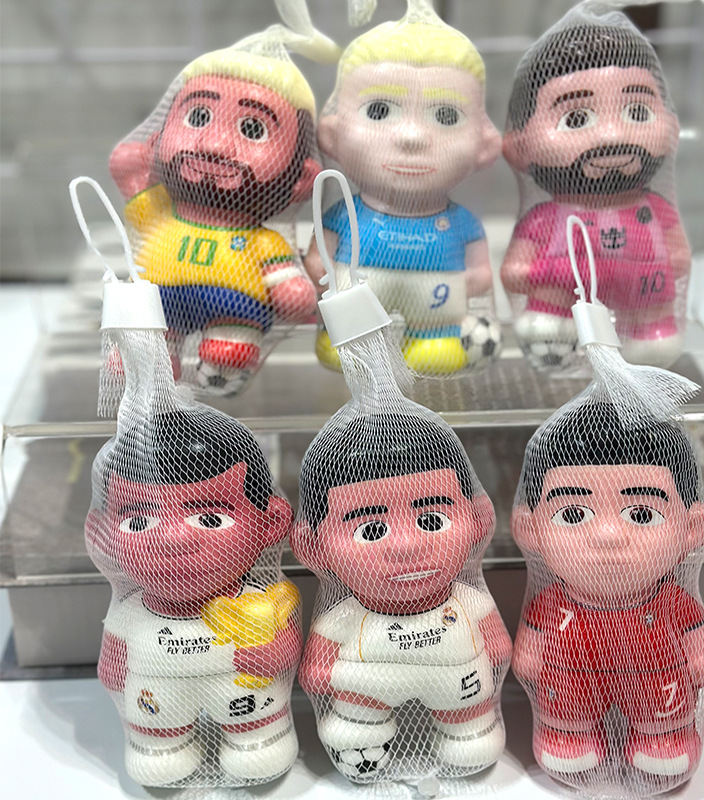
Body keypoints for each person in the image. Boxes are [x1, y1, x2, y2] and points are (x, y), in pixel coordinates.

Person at [86, 408, 301, 785]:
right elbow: (114, 663)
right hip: (156, 697)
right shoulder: (132, 612)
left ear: (270, 524)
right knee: (159, 755)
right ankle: (161, 747)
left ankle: (258, 739)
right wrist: (114, 672)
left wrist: (271, 653)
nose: (174, 540)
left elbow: (283, 648)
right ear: (101, 534)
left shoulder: (257, 602)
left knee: (259, 747)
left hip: (244, 697)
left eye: (210, 519)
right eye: (140, 521)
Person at [292, 413, 511, 780]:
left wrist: (497, 649)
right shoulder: (347, 614)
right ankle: (361, 744)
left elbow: (498, 646)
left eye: (432, 520)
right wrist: (320, 670)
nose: (406, 547)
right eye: (370, 530)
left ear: (479, 521)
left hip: (459, 683)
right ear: (312, 545)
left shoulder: (465, 600)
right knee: (356, 721)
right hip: (364, 687)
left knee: (469, 727)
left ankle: (468, 734)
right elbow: (318, 668)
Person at [512, 402, 704, 779]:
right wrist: (529, 655)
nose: (608, 536)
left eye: (642, 514)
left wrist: (700, 657)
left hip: (657, 677)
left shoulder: (671, 601)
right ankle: (567, 734)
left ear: (692, 529)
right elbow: (532, 645)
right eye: (573, 514)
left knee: (662, 708)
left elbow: (695, 637)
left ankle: (663, 737)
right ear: (530, 530)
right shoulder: (553, 601)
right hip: (570, 676)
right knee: (567, 707)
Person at [109, 47, 320, 392]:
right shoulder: (162, 213)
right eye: (198, 116)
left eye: (252, 128)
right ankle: (150, 366)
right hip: (156, 299)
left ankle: (225, 363)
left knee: (230, 350)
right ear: (157, 139)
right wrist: (132, 174)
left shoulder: (262, 240)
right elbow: (134, 191)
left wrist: (290, 289)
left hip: (235, 307)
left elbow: (285, 282)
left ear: (301, 177)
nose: (214, 145)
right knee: (145, 347)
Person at [303, 18, 501, 375]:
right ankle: (347, 340)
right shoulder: (346, 213)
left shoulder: (460, 222)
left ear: (484, 145)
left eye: (446, 115)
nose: (412, 137)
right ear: (333, 135)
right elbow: (321, 253)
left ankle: (435, 340)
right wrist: (319, 265)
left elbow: (480, 270)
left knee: (436, 352)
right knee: (350, 340)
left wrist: (476, 278)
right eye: (378, 111)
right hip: (358, 292)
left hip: (436, 298)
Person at [501, 23, 690, 368]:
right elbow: (518, 264)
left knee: (652, 342)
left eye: (637, 112)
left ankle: (650, 335)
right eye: (576, 118)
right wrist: (521, 269)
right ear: (520, 145)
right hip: (561, 289)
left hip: (645, 289)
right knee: (548, 320)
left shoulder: (655, 209)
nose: (613, 135)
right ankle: (554, 332)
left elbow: (678, 252)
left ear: (671, 128)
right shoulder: (547, 217)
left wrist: (677, 258)